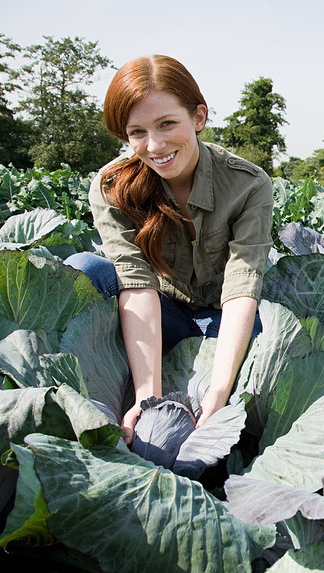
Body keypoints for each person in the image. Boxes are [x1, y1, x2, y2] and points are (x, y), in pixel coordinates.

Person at [66, 55, 274, 445]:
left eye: (167, 124)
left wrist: (218, 389)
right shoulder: (113, 185)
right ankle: (108, 386)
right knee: (84, 269)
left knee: (269, 345)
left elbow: (242, 286)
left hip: (220, 319)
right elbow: (135, 283)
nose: (155, 145)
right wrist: (147, 395)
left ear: (198, 117)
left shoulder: (248, 184)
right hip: (161, 313)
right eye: (137, 132)